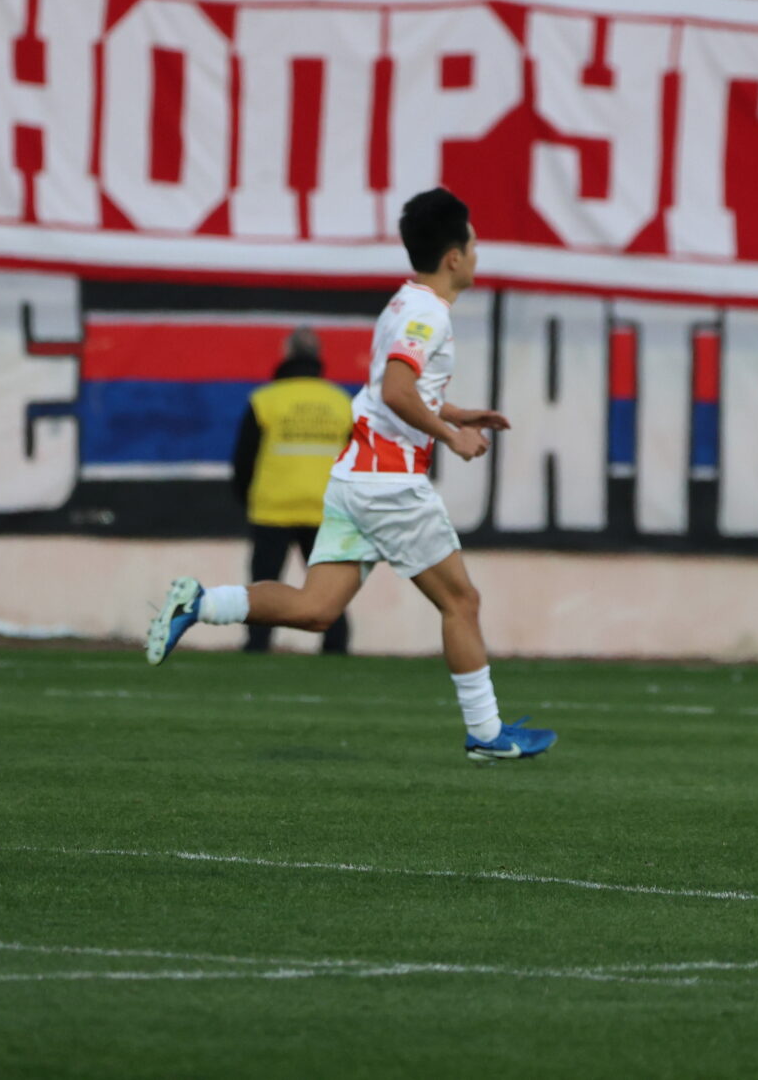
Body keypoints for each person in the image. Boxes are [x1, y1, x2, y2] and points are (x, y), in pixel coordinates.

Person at [148, 188, 558, 766]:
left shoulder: (403, 304)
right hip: (389, 486)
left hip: (355, 480)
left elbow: (392, 393)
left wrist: (457, 412)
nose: (476, 251)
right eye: (471, 241)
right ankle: (487, 734)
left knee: (316, 610)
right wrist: (452, 436)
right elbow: (395, 390)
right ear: (454, 257)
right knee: (462, 601)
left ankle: (201, 602)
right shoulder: (427, 313)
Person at [228, 328, 357, 655]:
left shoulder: (266, 400)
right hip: (325, 509)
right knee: (328, 588)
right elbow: (356, 460)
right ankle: (336, 648)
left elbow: (244, 458)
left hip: (273, 507)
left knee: (263, 585)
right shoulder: (341, 401)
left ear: (286, 354)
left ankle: (257, 647)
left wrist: (247, 498)